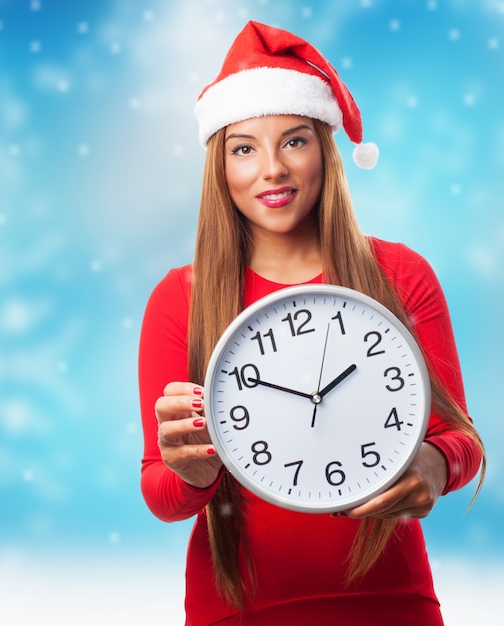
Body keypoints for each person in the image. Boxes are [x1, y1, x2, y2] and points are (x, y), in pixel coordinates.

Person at [138, 20, 485, 626]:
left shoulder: (401, 274)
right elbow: (162, 494)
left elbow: (460, 439)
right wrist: (191, 474)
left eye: (293, 141)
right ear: (220, 167)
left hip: (391, 603)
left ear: (325, 149)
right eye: (244, 148)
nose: (272, 169)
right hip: (239, 609)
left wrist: (433, 464)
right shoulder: (181, 298)